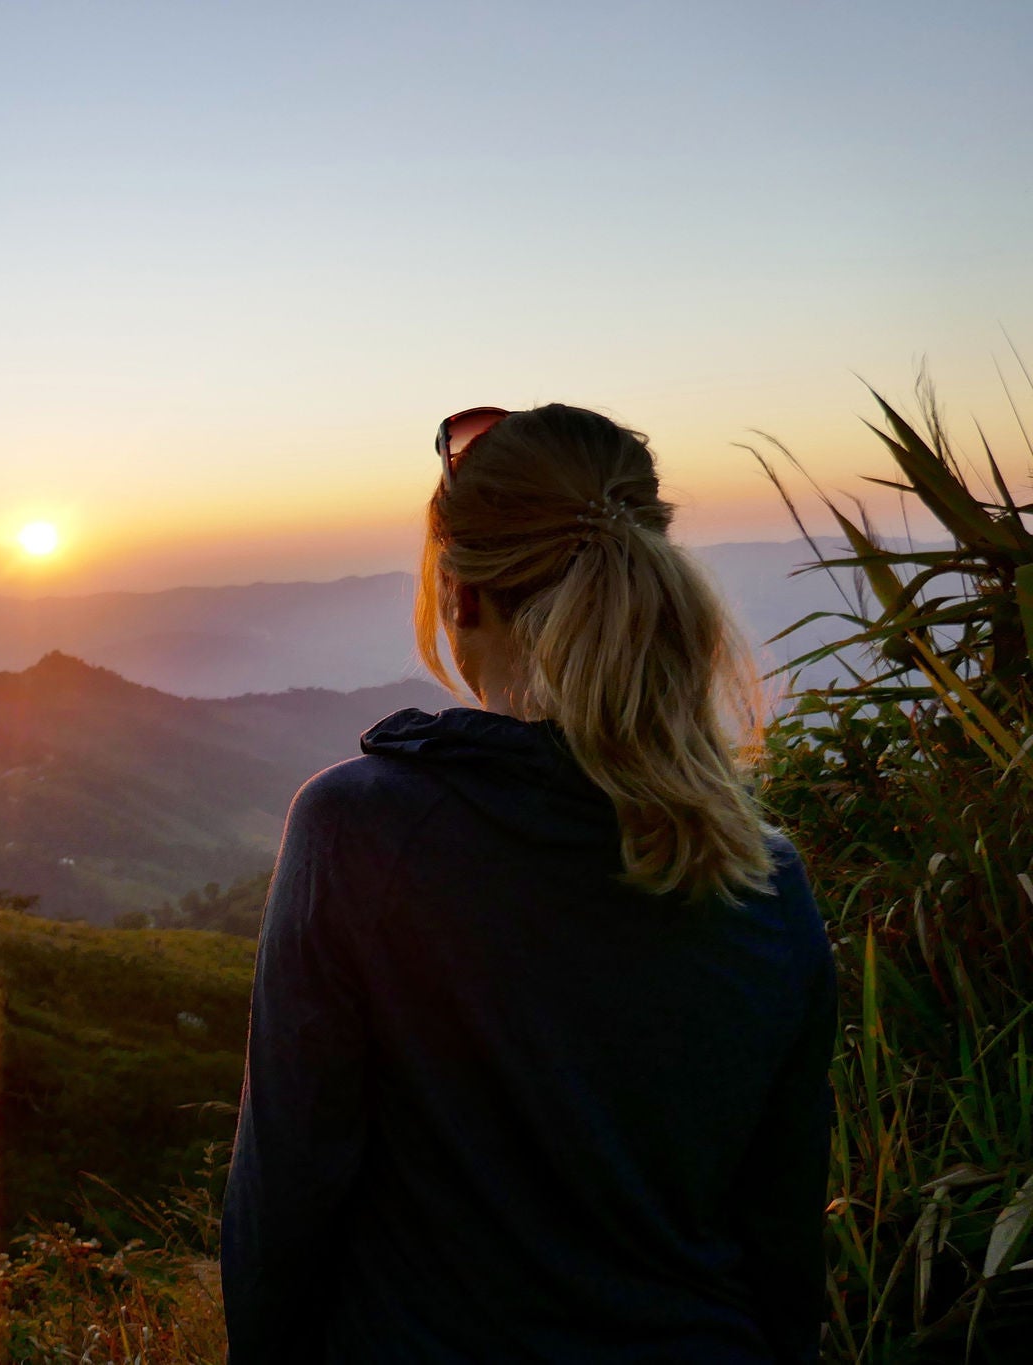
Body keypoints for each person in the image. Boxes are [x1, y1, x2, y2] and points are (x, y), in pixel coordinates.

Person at [220, 404, 835, 1363]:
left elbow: (285, 1204)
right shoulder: (766, 877)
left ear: (461, 594)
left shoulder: (363, 832)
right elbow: (785, 1250)